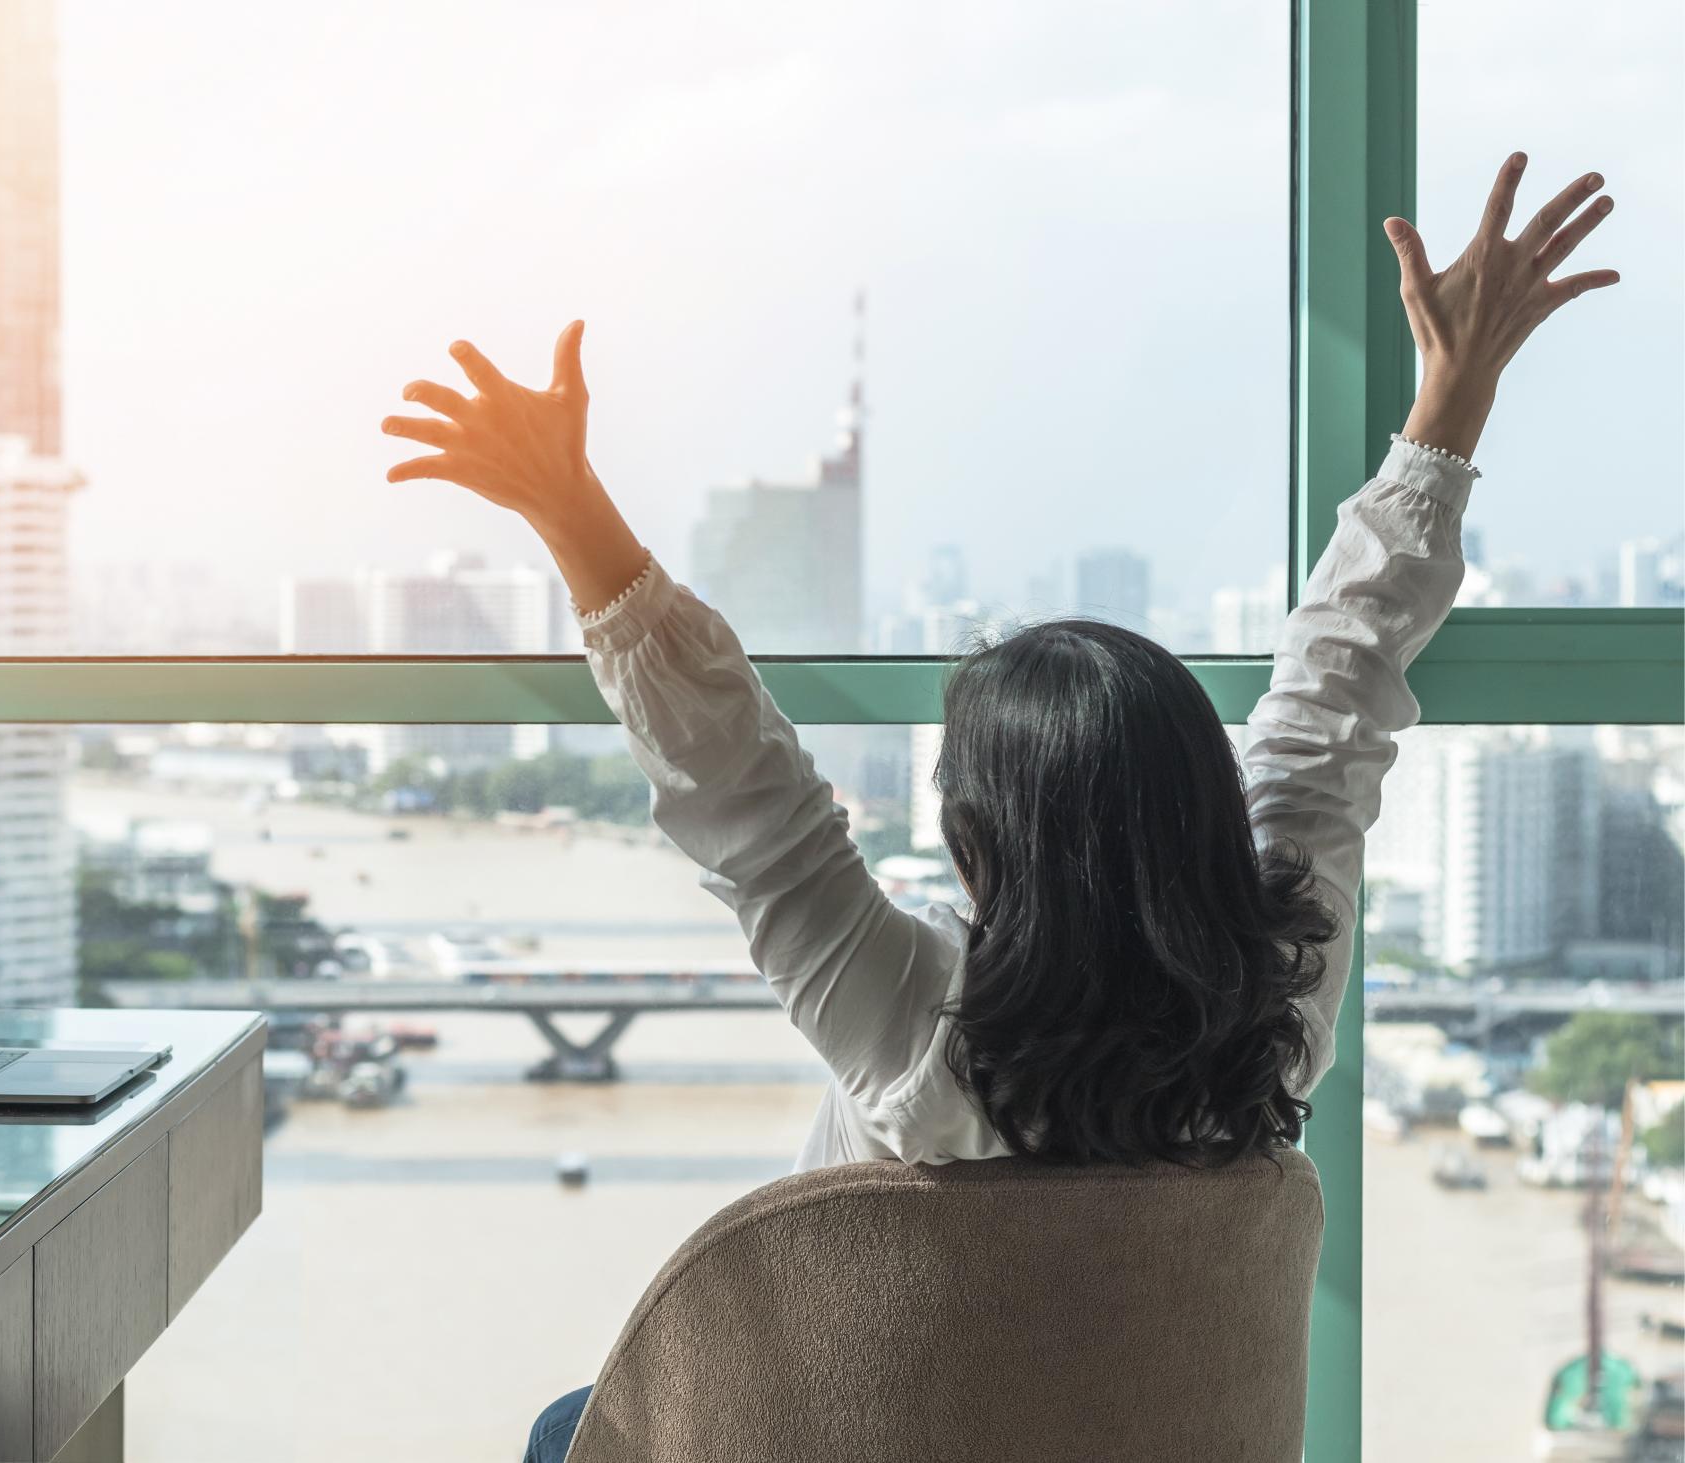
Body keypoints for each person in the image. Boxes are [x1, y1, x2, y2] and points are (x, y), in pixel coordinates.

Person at [380, 153, 1618, 1463]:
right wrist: (1450, 399)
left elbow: (737, 783)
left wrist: (569, 507)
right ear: (1203, 807)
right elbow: (1337, 696)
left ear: (974, 842)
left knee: (564, 1431)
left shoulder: (915, 1029)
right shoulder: (1269, 1014)